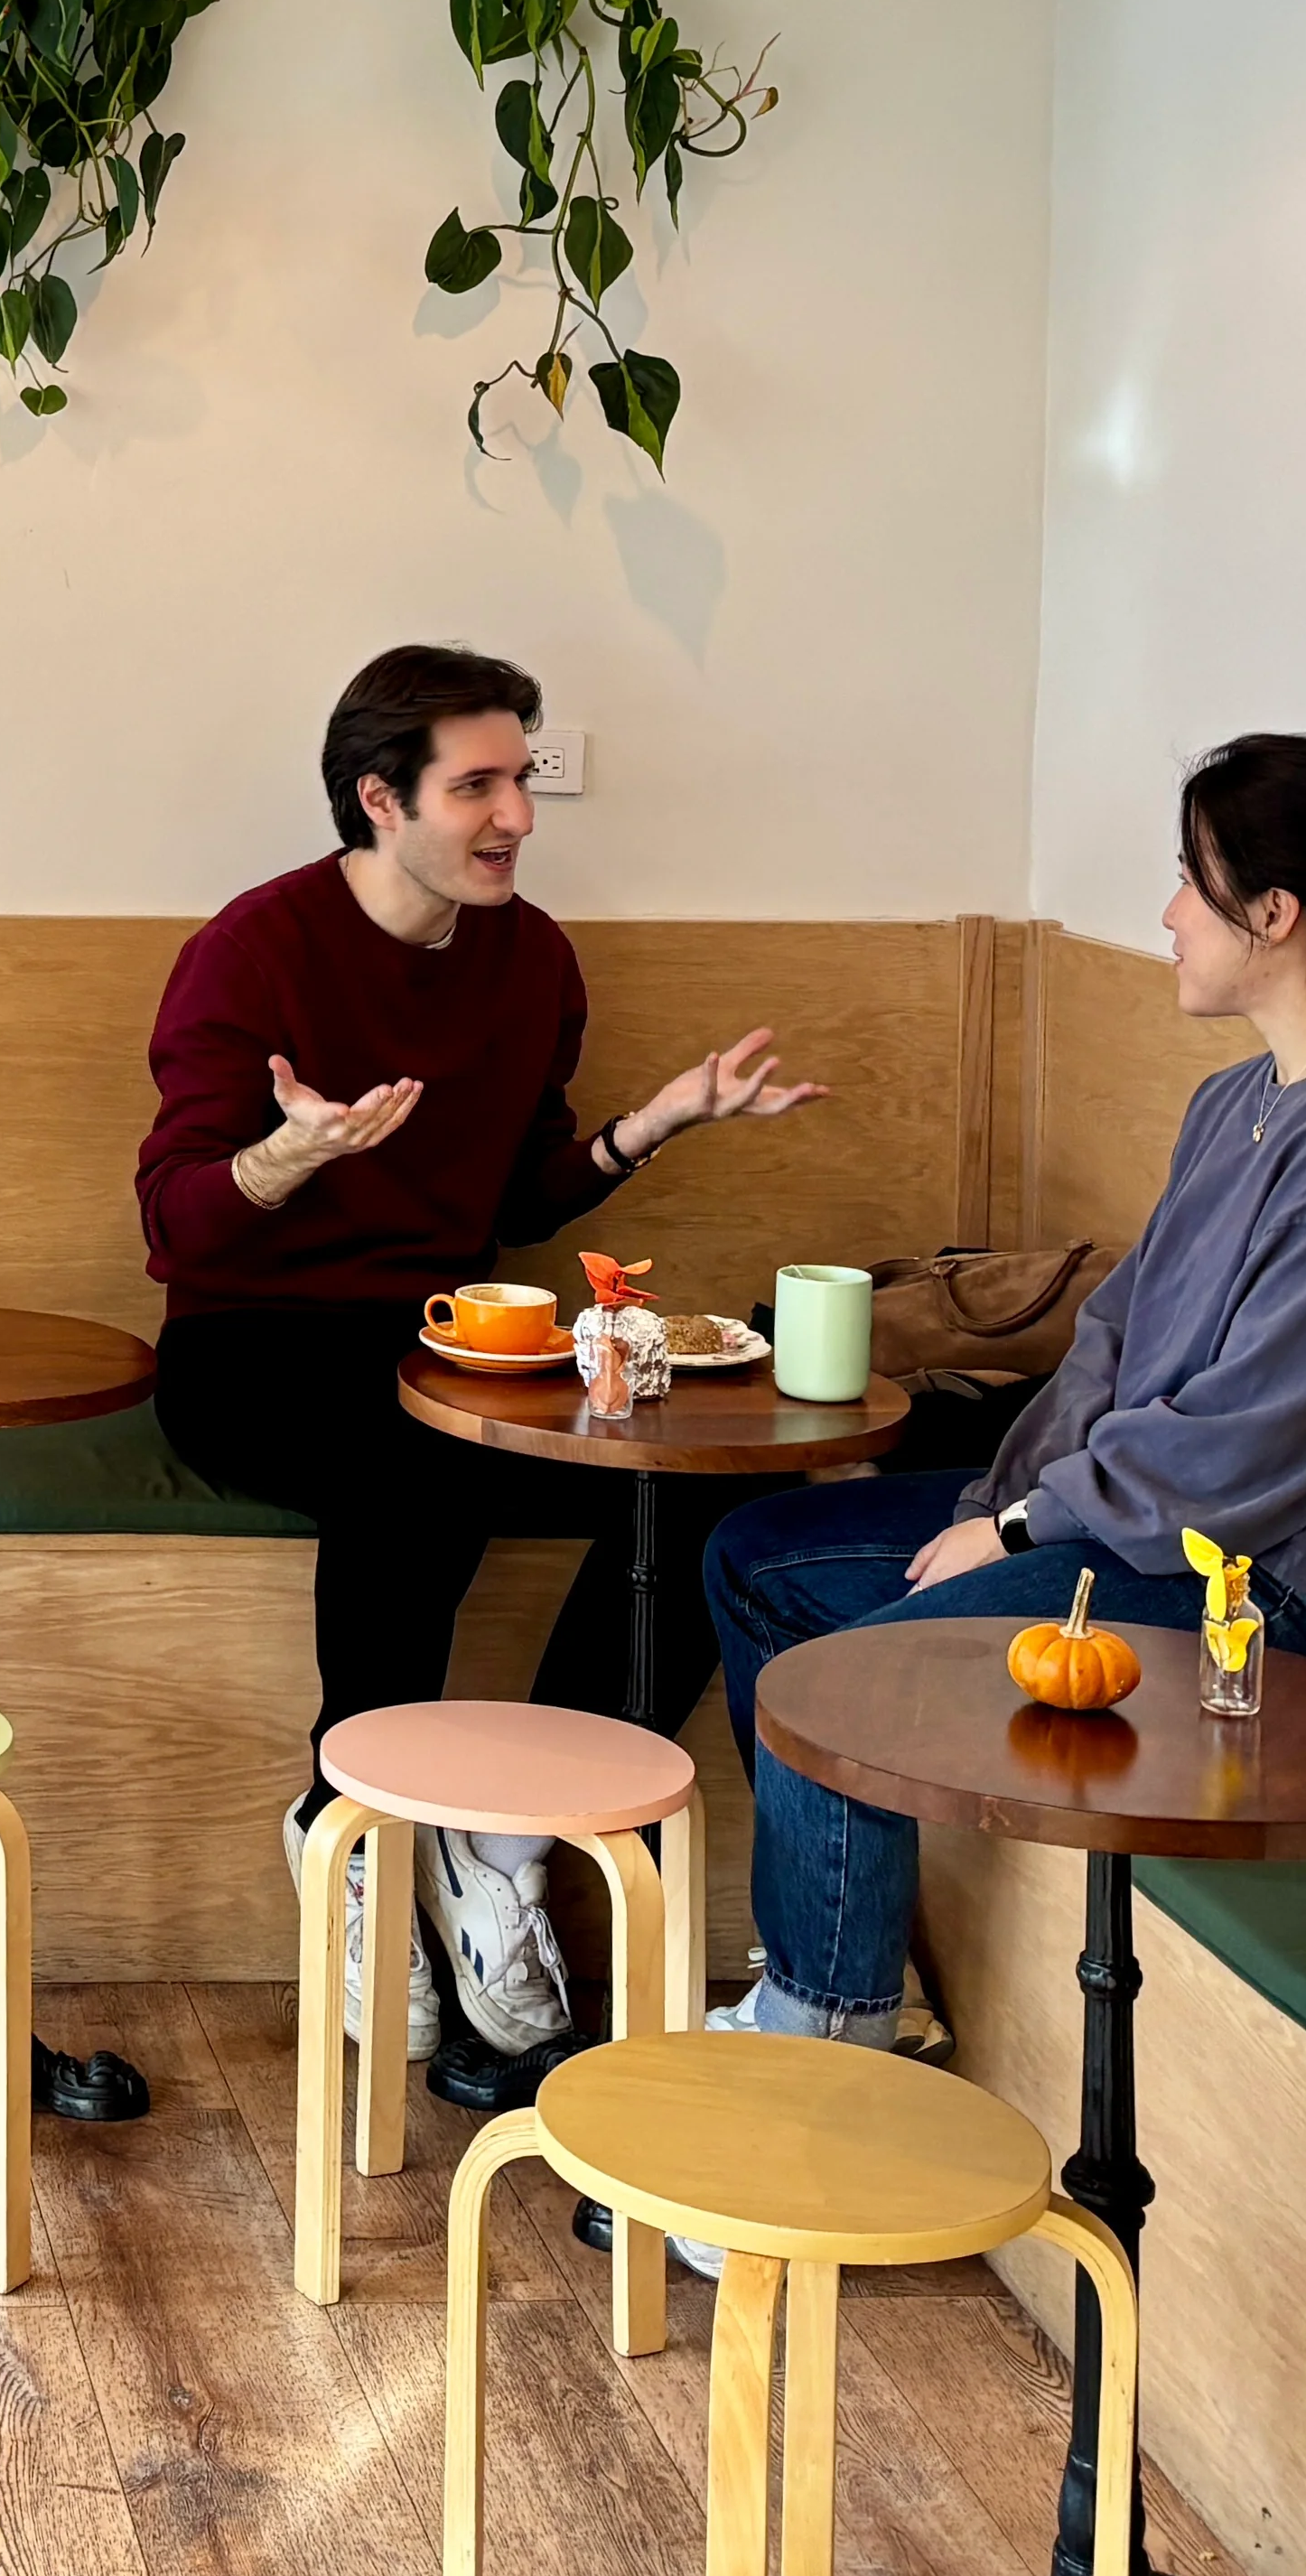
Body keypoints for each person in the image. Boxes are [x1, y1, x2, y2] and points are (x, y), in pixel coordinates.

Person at [704, 734, 1306, 2049]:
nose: (1167, 914)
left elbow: (1251, 1445)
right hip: (1165, 1534)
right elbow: (1115, 1335)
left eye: (1191, 882)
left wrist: (1023, 1531)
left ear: (1275, 913)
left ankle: (823, 2029)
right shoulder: (1241, 1099)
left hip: (1280, 1602)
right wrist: (1002, 1499)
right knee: (759, 1554)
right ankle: (856, 1984)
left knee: (844, 1659)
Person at [141, 642, 823, 2063]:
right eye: (480, 784)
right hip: (250, 1347)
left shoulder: (533, 958)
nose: (516, 812)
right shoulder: (252, 950)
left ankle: (503, 1832)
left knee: (700, 1486)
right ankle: (355, 1821)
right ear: (378, 798)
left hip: (446, 1341)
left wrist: (654, 1124)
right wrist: (288, 1154)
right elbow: (179, 1215)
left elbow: (512, 1199)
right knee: (415, 1465)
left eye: (524, 777)